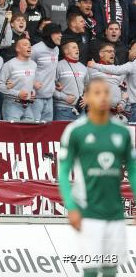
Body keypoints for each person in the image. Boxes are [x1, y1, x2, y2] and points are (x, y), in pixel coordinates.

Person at [58, 78, 136, 277]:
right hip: (88, 212)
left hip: (115, 213)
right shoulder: (76, 131)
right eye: (97, 92)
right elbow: (64, 172)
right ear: (87, 98)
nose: (102, 97)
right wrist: (72, 207)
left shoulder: (121, 132)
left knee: (111, 269)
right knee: (91, 269)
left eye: (106, 93)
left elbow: (133, 169)